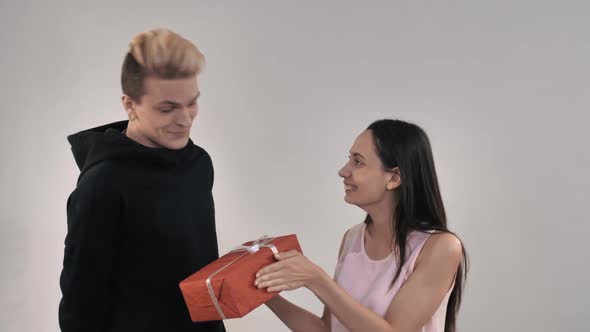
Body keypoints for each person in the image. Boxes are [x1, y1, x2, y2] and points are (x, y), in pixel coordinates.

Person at [58, 28, 225, 332]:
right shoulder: (102, 185)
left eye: (192, 103)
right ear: (130, 104)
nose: (185, 119)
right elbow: (80, 307)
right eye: (168, 108)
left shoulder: (199, 163)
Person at [255, 119, 468, 332]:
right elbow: (327, 330)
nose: (343, 171)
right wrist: (265, 293)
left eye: (358, 162)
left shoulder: (441, 247)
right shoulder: (353, 239)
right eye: (350, 159)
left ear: (394, 178)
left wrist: (315, 279)